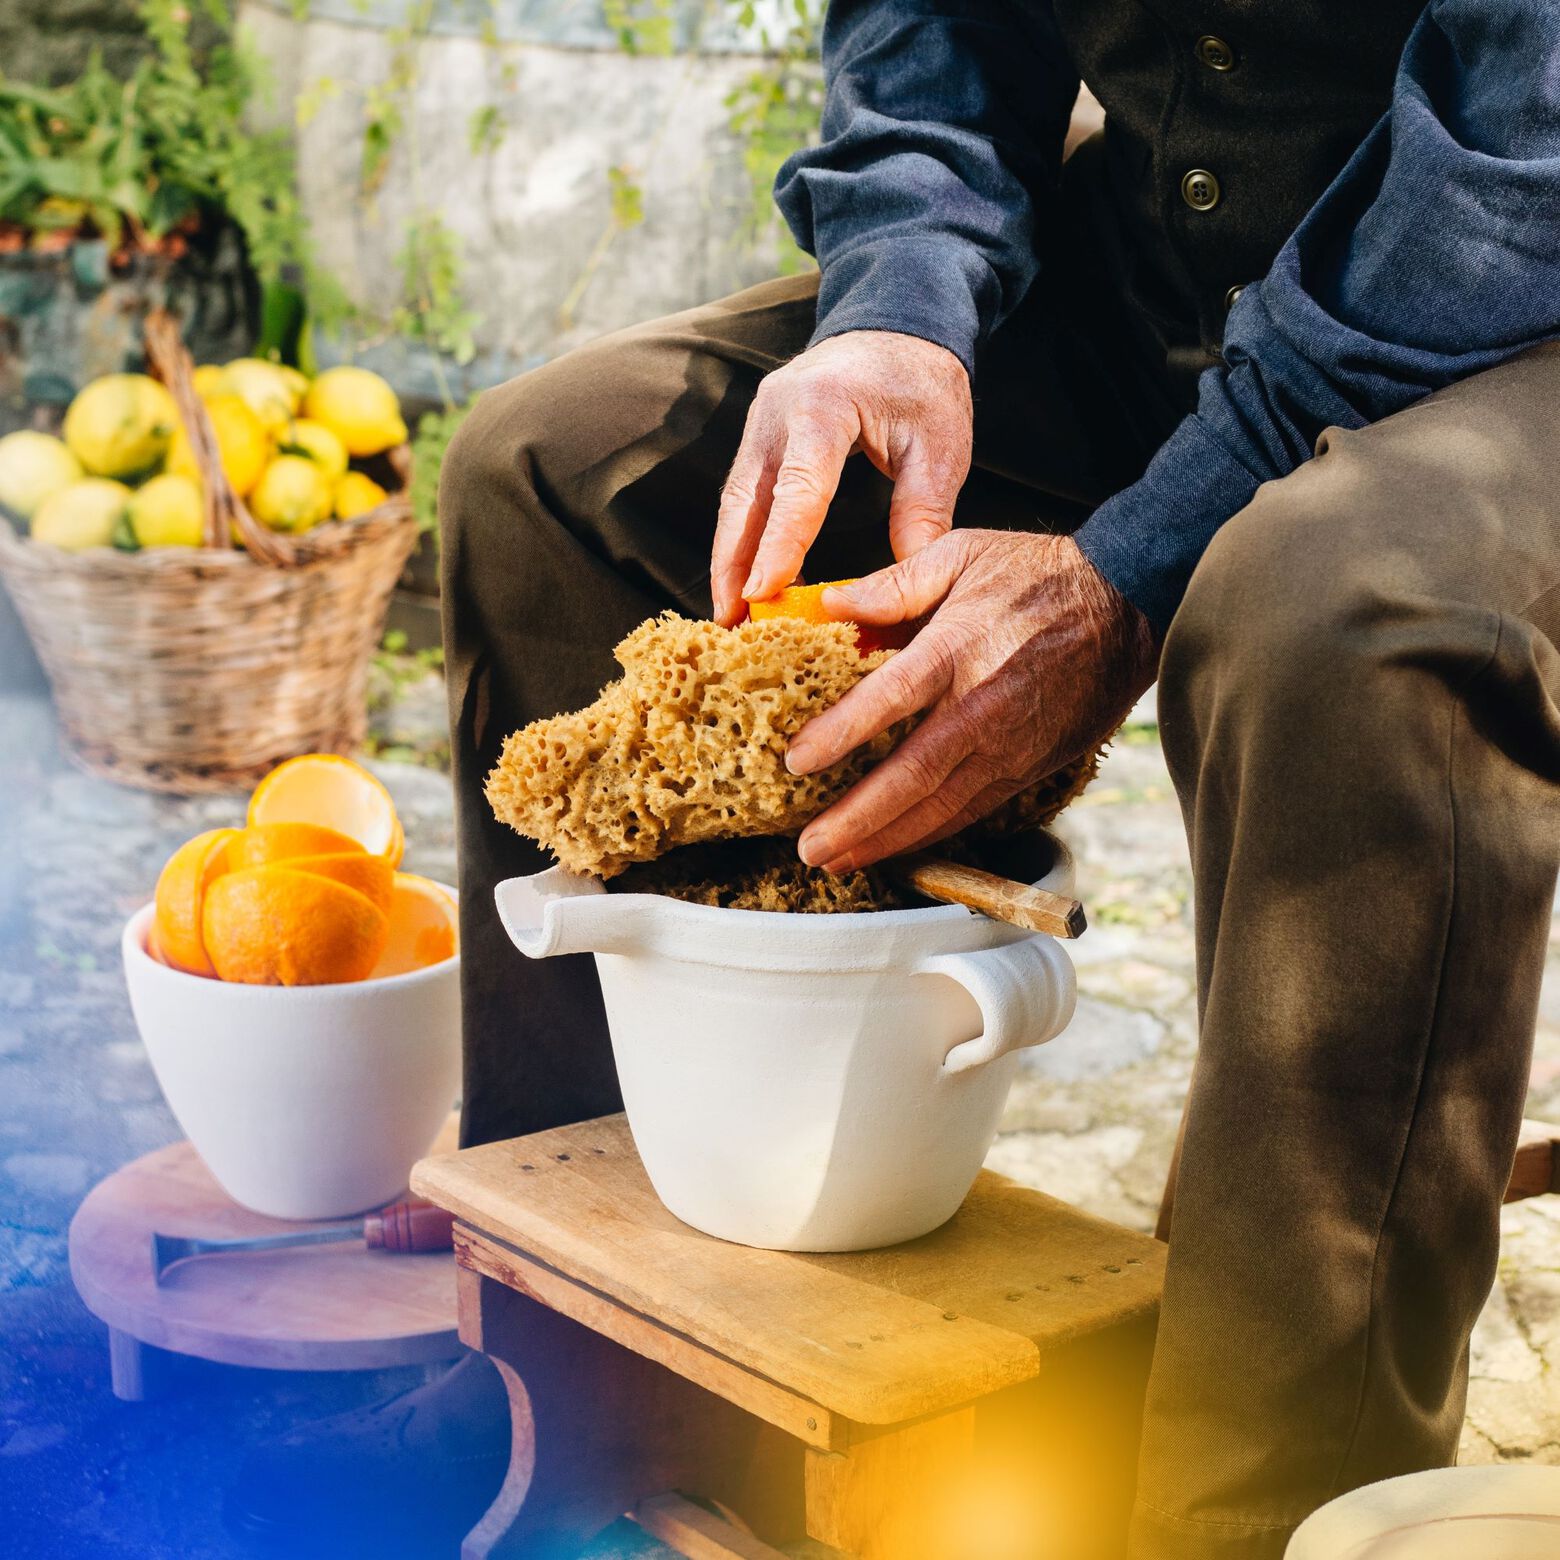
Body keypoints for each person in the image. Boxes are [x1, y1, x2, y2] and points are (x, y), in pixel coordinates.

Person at [230, 4, 1560, 1557]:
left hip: (1502, 295)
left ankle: (1267, 1511)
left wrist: (1128, 566)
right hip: (1174, 280)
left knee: (1331, 624)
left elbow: (1512, 161)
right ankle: (584, 1374)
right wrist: (896, 307)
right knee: (554, 478)